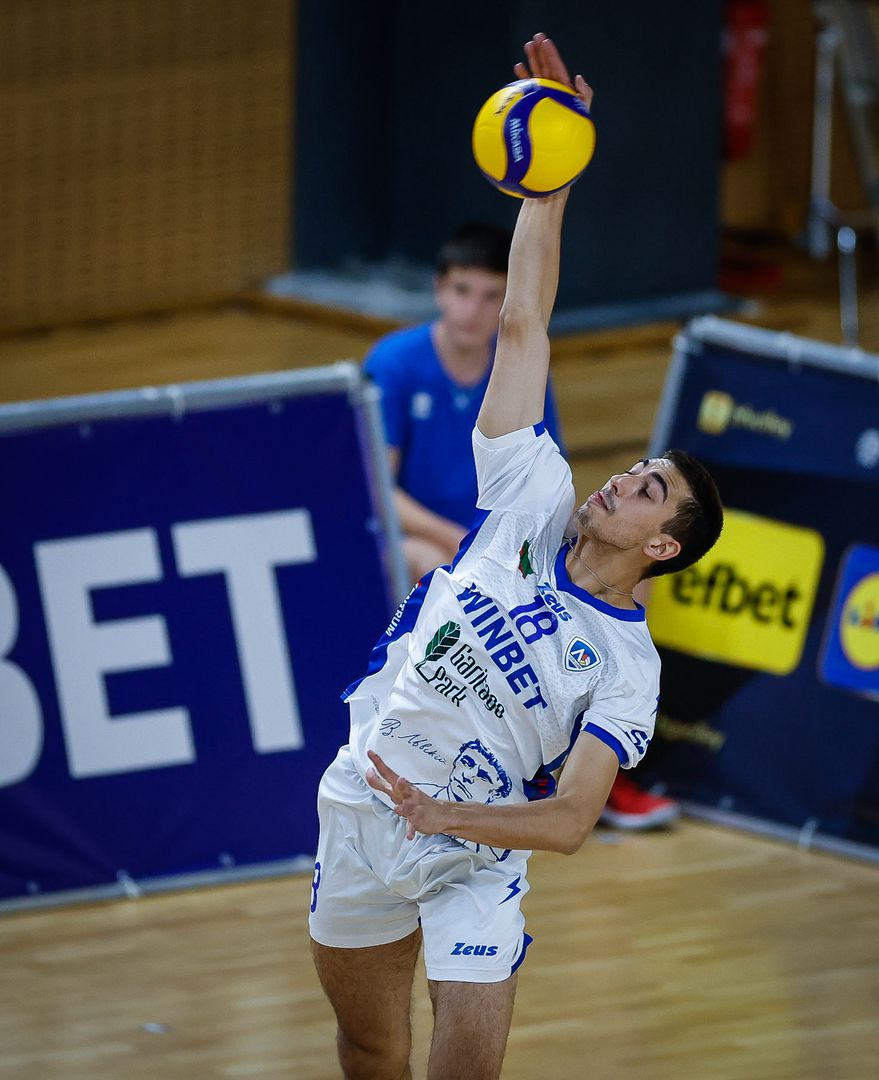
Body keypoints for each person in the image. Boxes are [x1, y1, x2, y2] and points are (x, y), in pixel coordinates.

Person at [309, 32, 724, 1080]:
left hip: (471, 852)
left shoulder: (630, 672)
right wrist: (549, 183)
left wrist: (448, 817)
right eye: (631, 467)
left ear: (662, 545)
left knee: (466, 1065)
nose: (620, 481)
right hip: (361, 800)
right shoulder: (529, 499)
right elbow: (525, 322)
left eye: (647, 489)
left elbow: (577, 818)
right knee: (367, 1044)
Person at [363, 220, 564, 584]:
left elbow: (541, 479)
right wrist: (463, 542)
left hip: (494, 541)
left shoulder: (522, 367)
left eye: (491, 296)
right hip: (422, 537)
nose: (473, 310)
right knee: (430, 564)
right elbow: (377, 487)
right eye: (462, 290)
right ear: (439, 289)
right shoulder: (393, 362)